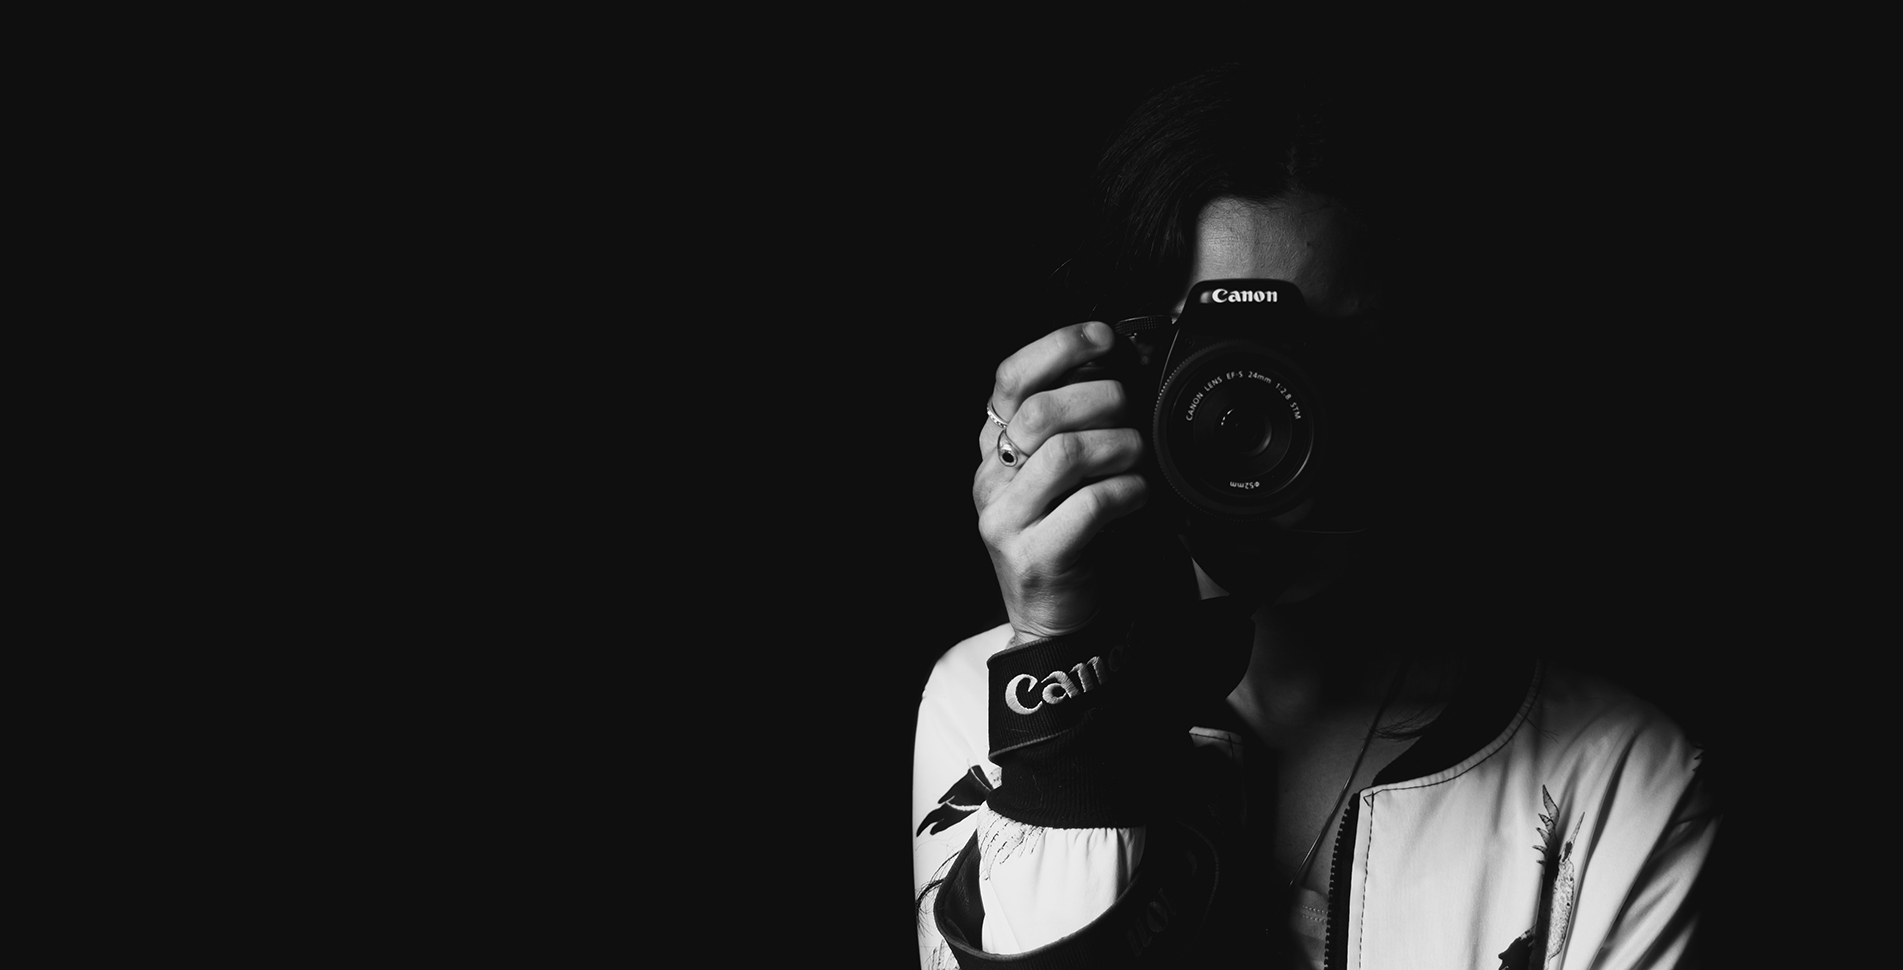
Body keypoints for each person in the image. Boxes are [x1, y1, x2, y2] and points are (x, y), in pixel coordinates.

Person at [912, 64, 1718, 969]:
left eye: (1337, 362)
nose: (1273, 425)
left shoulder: (1615, 778)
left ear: (1426, 373)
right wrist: (1064, 713)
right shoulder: (985, 705)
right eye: (1221, 364)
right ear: (1109, 377)